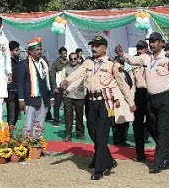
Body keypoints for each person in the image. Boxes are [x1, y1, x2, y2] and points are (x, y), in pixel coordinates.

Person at [56, 35, 134, 180]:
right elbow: (78, 74)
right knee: (93, 133)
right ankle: (109, 161)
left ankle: (99, 169)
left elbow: (123, 85)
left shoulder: (112, 65)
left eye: (97, 46)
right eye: (93, 45)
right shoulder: (88, 63)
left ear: (104, 48)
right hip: (90, 101)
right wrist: (67, 81)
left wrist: (131, 103)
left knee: (102, 133)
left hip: (106, 102)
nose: (94, 48)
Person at [125, 32, 169, 173]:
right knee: (152, 126)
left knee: (163, 130)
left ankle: (158, 162)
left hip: (166, 98)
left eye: (154, 41)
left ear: (161, 43)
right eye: (150, 41)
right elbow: (133, 60)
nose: (151, 43)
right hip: (151, 98)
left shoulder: (168, 59)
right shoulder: (147, 58)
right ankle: (167, 156)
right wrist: (122, 54)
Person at [15, 38, 52, 138]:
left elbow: (49, 80)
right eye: (37, 50)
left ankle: (37, 145)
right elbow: (20, 83)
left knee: (39, 124)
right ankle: (27, 146)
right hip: (29, 99)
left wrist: (51, 97)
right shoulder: (23, 64)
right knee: (29, 124)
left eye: (40, 49)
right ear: (30, 52)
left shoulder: (44, 63)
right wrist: (21, 99)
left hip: (43, 98)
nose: (39, 51)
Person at [127, 40, 153, 161]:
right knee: (137, 125)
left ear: (146, 49)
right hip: (139, 94)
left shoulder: (151, 60)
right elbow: (132, 83)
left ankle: (163, 152)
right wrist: (131, 101)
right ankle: (140, 154)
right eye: (138, 48)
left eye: (142, 48)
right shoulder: (134, 63)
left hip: (150, 93)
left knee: (152, 124)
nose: (139, 50)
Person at [61, 51, 86, 140]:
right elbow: (61, 80)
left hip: (80, 95)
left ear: (78, 59)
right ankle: (68, 134)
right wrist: (62, 86)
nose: (73, 60)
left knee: (79, 115)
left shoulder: (82, 68)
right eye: (71, 59)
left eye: (75, 59)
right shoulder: (66, 68)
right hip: (68, 95)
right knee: (68, 116)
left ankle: (80, 133)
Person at [49, 47, 69, 123]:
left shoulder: (69, 63)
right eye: (63, 53)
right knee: (57, 105)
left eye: (66, 53)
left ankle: (67, 120)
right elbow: (52, 75)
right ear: (59, 54)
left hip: (67, 87)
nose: (65, 55)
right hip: (58, 87)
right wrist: (54, 87)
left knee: (67, 105)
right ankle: (56, 120)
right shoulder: (55, 63)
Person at [6, 41, 23, 125]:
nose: (18, 52)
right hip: (10, 90)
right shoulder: (7, 62)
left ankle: (11, 130)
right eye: (16, 50)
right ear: (11, 51)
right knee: (11, 114)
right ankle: (8, 133)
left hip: (18, 91)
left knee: (17, 113)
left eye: (18, 50)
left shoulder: (19, 62)